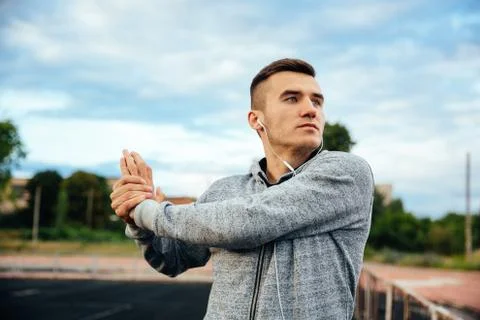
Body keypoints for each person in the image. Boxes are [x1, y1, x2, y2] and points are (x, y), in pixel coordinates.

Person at [110, 58, 374, 319]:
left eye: (317, 101)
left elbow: (249, 221)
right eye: (292, 98)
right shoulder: (225, 191)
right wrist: (137, 222)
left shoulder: (347, 174)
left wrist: (147, 211)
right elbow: (173, 259)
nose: (311, 109)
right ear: (256, 120)